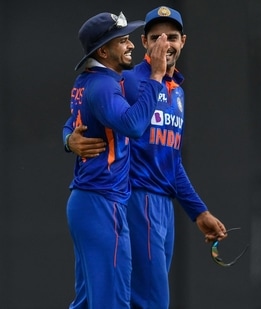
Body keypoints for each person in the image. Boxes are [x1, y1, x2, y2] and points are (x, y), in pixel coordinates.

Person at [64, 6, 227, 309]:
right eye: (156, 38)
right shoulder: (128, 80)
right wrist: (68, 139)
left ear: (183, 42)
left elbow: (171, 160)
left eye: (172, 37)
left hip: (163, 206)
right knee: (146, 301)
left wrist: (198, 212)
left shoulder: (176, 90)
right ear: (145, 43)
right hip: (135, 199)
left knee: (126, 298)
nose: (165, 44)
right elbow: (85, 110)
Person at [63, 11, 169, 308]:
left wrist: (67, 139)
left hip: (90, 200)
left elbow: (70, 123)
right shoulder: (104, 85)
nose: (131, 45)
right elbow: (134, 126)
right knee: (111, 301)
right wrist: (157, 77)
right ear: (104, 51)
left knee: (87, 301)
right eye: (123, 41)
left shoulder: (89, 80)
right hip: (101, 201)